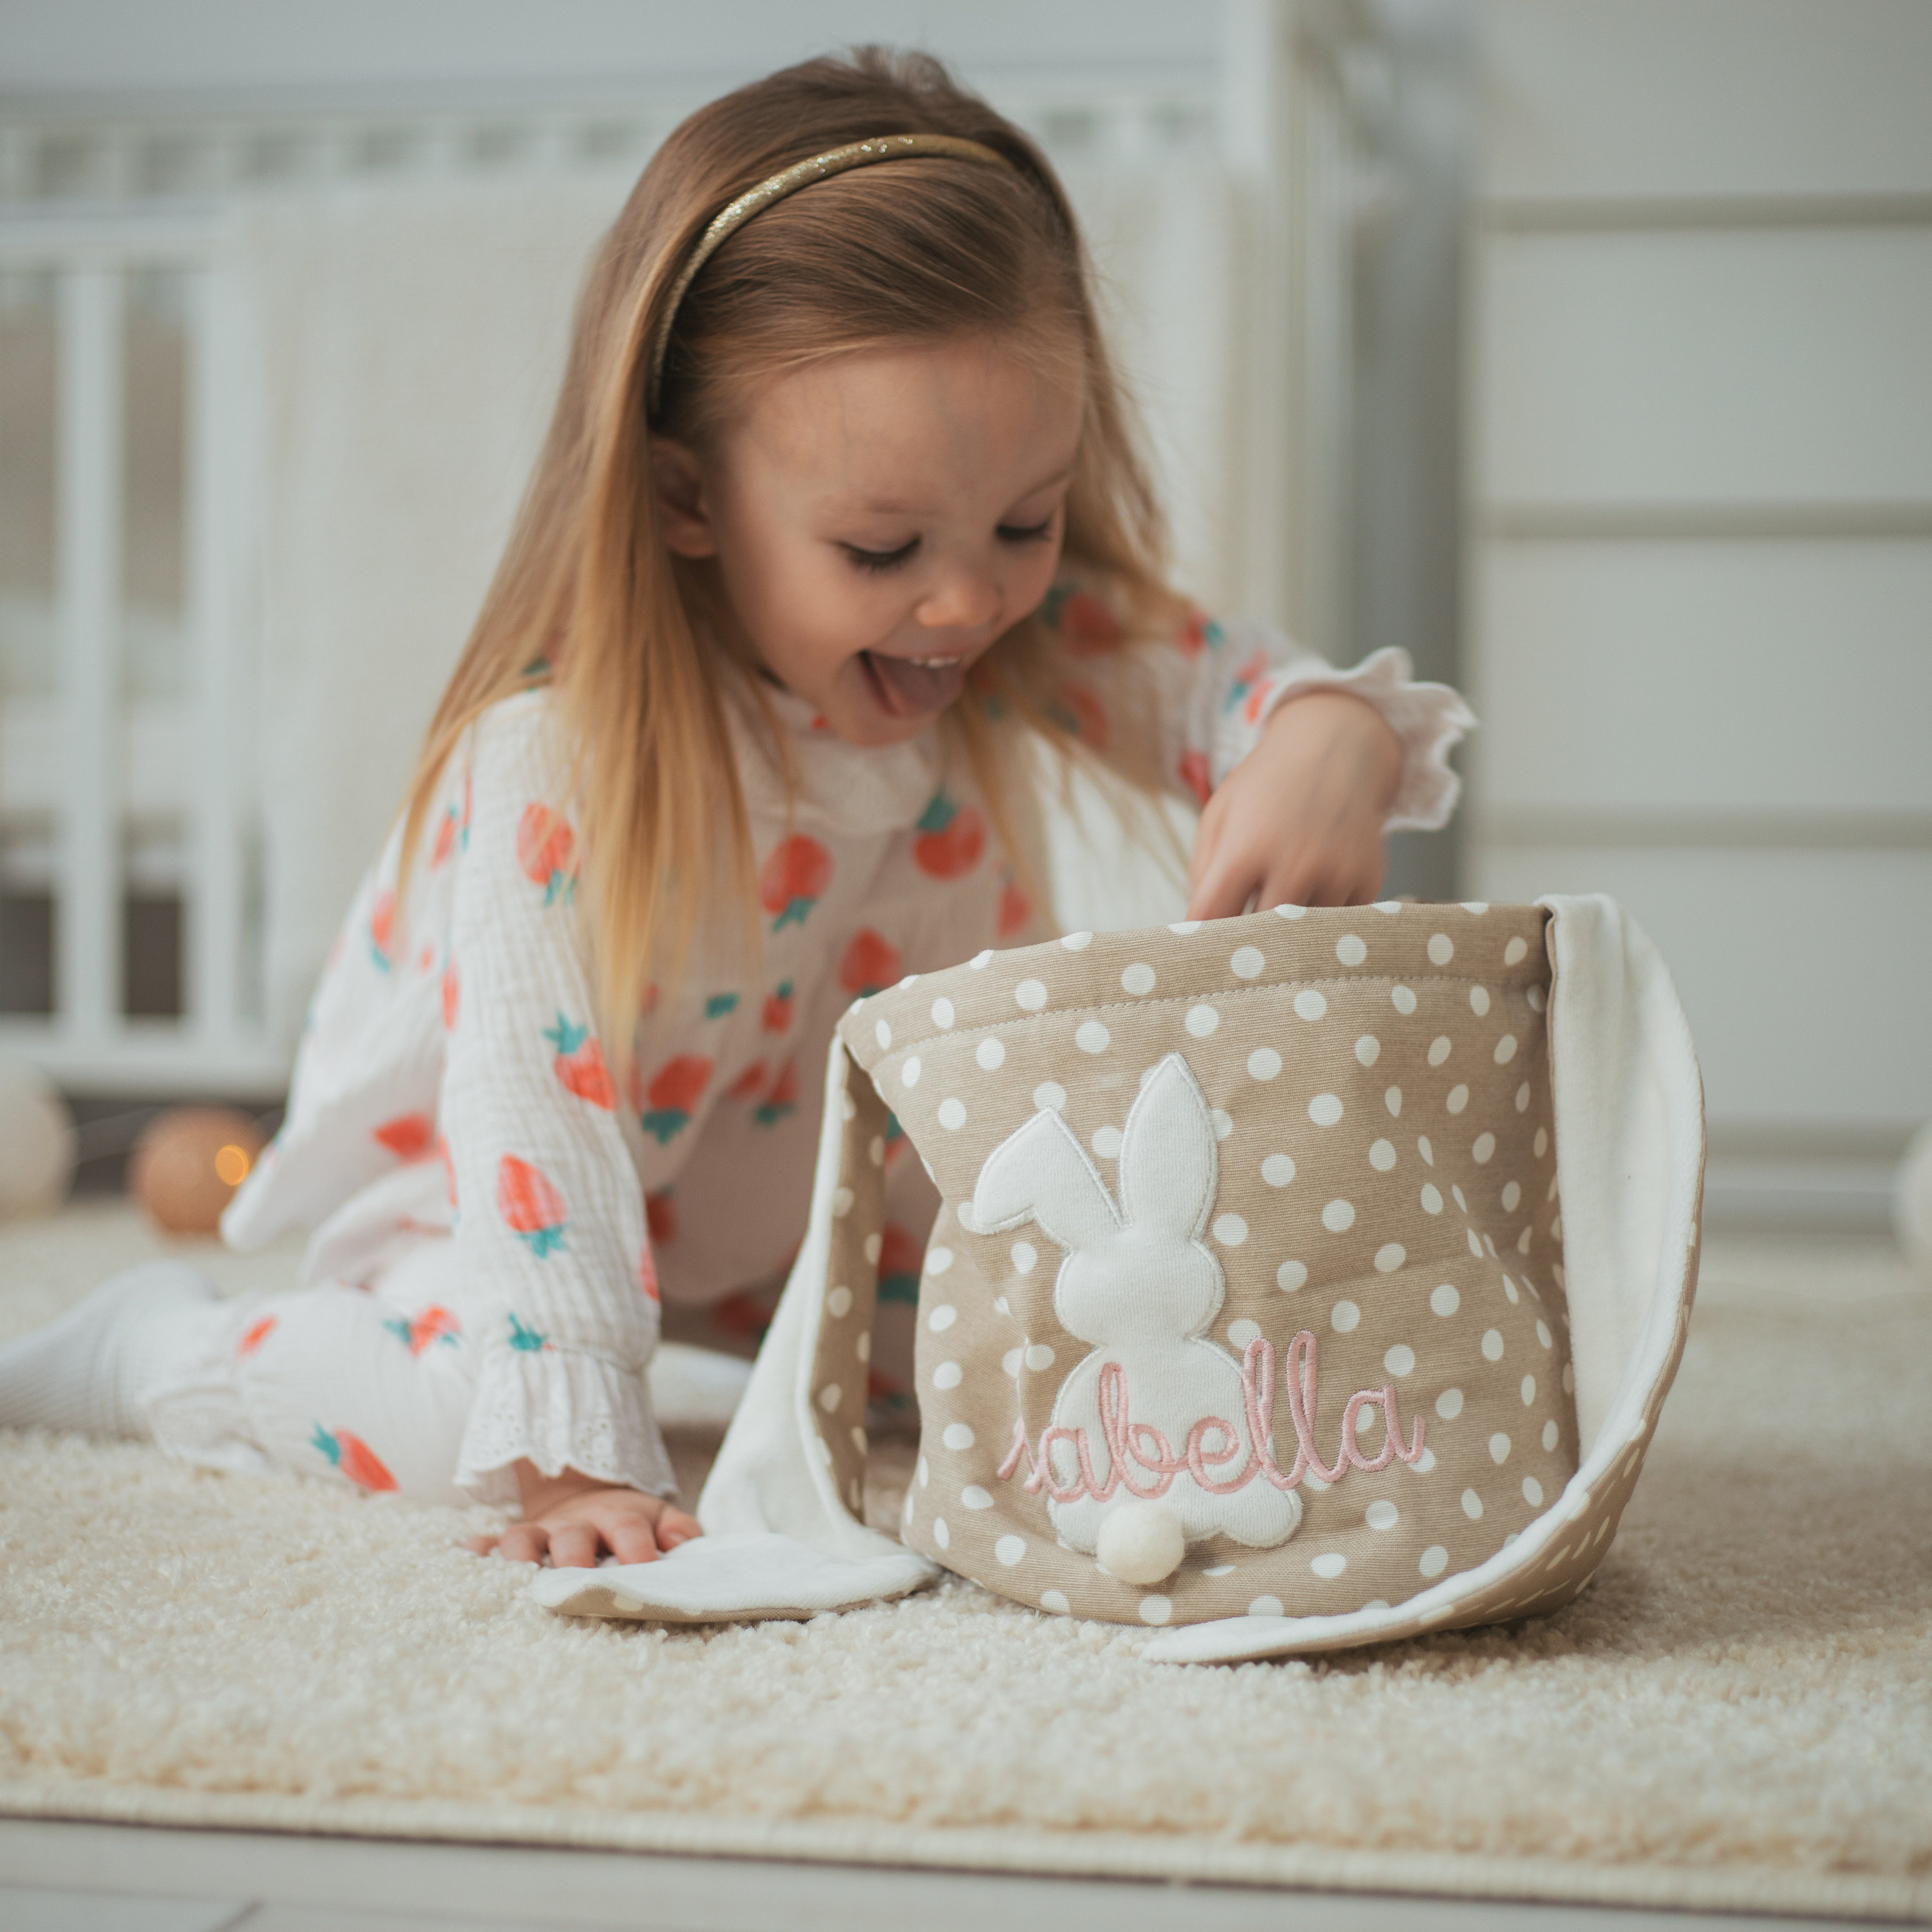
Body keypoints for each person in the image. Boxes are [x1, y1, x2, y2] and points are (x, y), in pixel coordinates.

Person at [0, 50, 1470, 1571]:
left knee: (1064, 1377)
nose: (966, 600)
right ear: (690, 500)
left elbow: (1214, 686)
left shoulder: (999, 639)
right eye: (884, 545)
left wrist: (1326, 732)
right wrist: (575, 1447)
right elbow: (528, 1120)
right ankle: (140, 1350)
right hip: (487, 1205)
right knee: (460, 1439)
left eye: (1025, 522)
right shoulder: (557, 759)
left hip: (800, 1220)